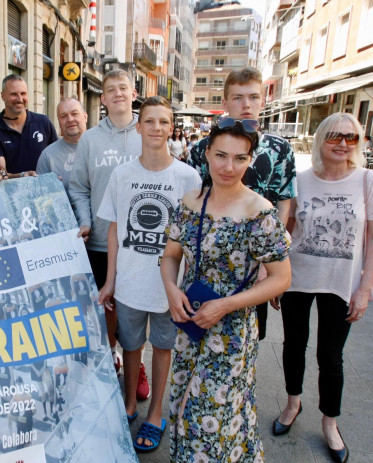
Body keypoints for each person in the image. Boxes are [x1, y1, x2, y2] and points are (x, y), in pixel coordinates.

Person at [161, 118, 291, 462]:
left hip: (232, 332)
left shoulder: (260, 212)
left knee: (211, 417)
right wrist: (172, 291)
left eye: (239, 158)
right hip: (190, 320)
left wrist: (225, 306)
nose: (228, 167)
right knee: (181, 403)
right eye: (221, 155)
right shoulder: (190, 202)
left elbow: (281, 279)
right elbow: (170, 257)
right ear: (206, 154)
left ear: (250, 160)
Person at [273, 113, 373, 463]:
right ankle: (293, 404)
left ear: (359, 142)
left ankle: (330, 423)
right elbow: (286, 226)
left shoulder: (370, 180)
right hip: (299, 276)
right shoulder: (300, 180)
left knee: (330, 356)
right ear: (321, 138)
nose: (342, 143)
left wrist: (365, 288)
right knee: (294, 345)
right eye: (335, 136)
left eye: (351, 138)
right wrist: (275, 277)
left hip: (342, 282)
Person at [97, 96, 202, 452]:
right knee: (130, 345)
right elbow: (113, 230)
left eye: (164, 122)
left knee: (162, 347)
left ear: (171, 129)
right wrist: (110, 280)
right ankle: (129, 404)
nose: (157, 128)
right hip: (129, 282)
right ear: (138, 127)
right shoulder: (122, 174)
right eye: (150, 121)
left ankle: (155, 412)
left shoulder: (188, 176)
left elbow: (193, 237)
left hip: (167, 288)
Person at [187, 67, 296, 341]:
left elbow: (283, 203)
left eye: (253, 97)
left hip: (257, 259)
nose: (246, 104)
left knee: (246, 335)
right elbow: (194, 201)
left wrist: (266, 262)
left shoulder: (279, 148)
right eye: (237, 97)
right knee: (198, 330)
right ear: (225, 103)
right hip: (210, 257)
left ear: (263, 101)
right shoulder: (202, 148)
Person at [68, 68, 143, 389]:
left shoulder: (147, 132)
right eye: (111, 90)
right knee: (108, 305)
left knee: (138, 307)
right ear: (102, 99)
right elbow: (79, 187)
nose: (118, 94)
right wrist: (85, 221)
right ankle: (111, 355)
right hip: (99, 240)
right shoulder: (89, 140)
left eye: (123, 88)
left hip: (141, 243)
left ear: (133, 93)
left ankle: (136, 364)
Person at [0, 74, 57, 177]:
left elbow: (57, 157)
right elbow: (1, 174)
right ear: (2, 96)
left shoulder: (43, 122)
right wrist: (23, 176)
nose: (19, 99)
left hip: (44, 191)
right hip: (11, 192)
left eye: (23, 93)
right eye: (14, 94)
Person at [36, 97, 88, 189]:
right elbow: (41, 195)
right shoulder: (48, 156)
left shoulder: (101, 148)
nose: (70, 119)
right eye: (63, 116)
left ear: (85, 117)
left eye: (74, 114)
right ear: (59, 122)